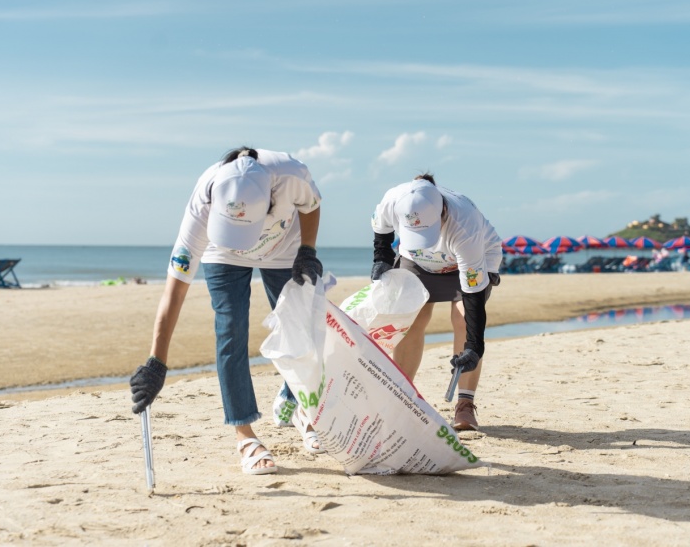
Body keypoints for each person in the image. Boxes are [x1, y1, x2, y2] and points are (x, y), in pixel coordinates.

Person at [129, 146, 324, 475]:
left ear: (271, 201)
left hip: (282, 247)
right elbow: (174, 293)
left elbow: (311, 206)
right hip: (223, 253)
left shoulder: (292, 176)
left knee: (299, 324)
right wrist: (156, 361)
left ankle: (301, 405)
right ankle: (245, 434)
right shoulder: (203, 202)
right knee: (231, 328)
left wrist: (307, 249)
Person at [370, 174, 502, 431]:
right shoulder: (393, 200)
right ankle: (401, 399)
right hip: (417, 259)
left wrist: (474, 346)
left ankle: (465, 404)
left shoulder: (464, 224)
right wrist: (382, 258)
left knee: (463, 318)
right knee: (412, 317)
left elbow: (473, 295)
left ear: (442, 210)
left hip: (467, 258)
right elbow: (381, 232)